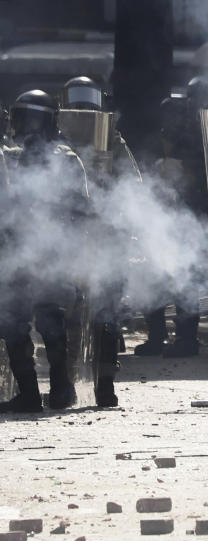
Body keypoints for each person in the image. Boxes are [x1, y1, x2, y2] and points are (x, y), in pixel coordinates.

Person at [0, 89, 89, 413]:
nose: (28, 126)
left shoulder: (65, 158)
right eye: (24, 117)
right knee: (13, 323)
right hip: (17, 250)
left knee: (51, 320)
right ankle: (29, 393)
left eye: (35, 118)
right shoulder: (8, 156)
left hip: (52, 249)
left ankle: (61, 389)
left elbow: (81, 206)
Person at [58, 75, 142, 407]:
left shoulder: (112, 142)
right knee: (73, 316)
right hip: (72, 239)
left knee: (103, 315)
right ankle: (67, 384)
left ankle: (104, 383)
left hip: (105, 238)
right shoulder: (59, 142)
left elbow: (133, 187)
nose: (82, 110)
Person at [136, 76, 208, 358]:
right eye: (198, 98)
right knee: (156, 273)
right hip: (173, 206)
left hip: (200, 210)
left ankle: (186, 339)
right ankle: (158, 334)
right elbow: (164, 152)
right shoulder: (179, 118)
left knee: (189, 275)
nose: (202, 104)